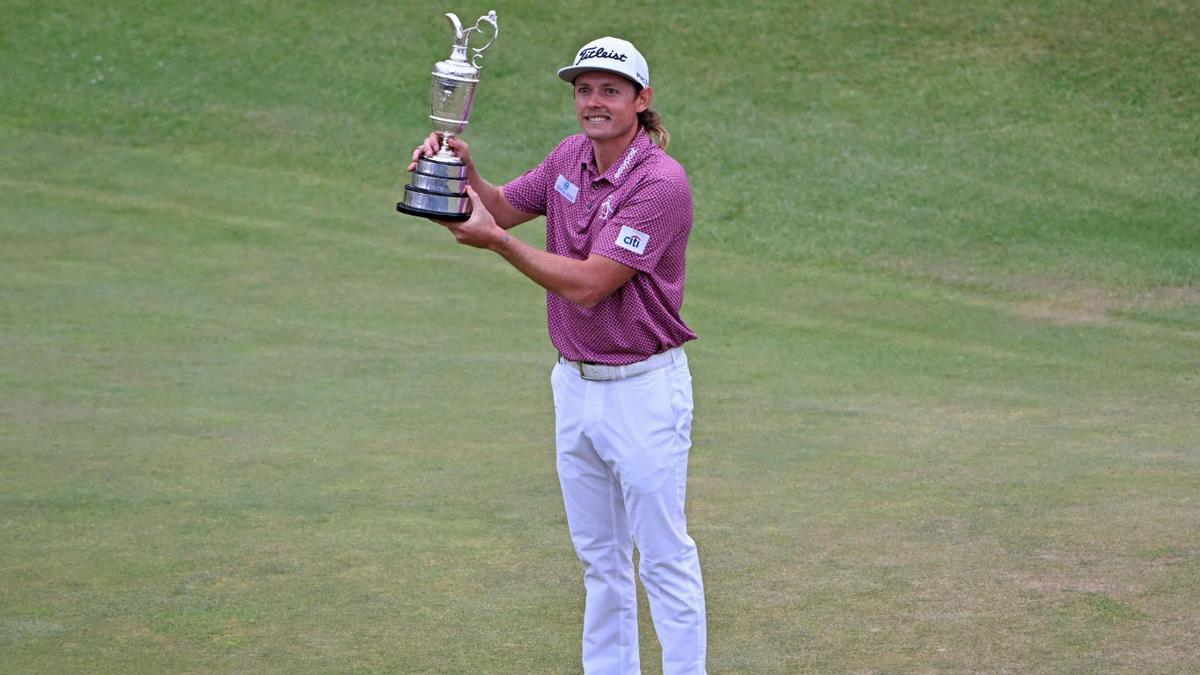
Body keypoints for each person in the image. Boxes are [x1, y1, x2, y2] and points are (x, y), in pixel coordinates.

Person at [408, 36, 707, 674]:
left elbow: (591, 283)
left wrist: (495, 245)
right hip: (574, 386)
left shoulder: (660, 183)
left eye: (610, 90)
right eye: (583, 89)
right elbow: (503, 208)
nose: (593, 102)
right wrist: (458, 172)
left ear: (641, 100)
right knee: (600, 559)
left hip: (643, 390)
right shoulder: (570, 156)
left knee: (662, 556)